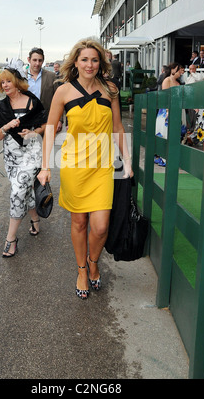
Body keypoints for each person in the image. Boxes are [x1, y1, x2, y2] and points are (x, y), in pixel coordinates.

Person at [37, 39, 133, 299]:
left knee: (100, 226)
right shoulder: (63, 91)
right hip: (74, 165)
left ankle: (94, 261)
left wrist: (128, 161)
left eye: (94, 60)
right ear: (75, 63)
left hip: (103, 165)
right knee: (79, 221)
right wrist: (45, 166)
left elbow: (118, 128)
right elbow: (49, 128)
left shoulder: (110, 89)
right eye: (84, 60)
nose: (89, 64)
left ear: (100, 63)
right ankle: (82, 269)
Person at [0, 61, 47, 257]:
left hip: (31, 154)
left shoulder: (33, 102)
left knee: (17, 192)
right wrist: (6, 127)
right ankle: (35, 220)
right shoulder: (1, 107)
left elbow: (44, 125)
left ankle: (11, 239)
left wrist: (33, 133)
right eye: (2, 82)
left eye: (8, 81)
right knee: (25, 189)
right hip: (11, 156)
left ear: (17, 82)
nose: (5, 85)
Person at [27, 47, 62, 132]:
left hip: (47, 122)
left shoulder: (51, 76)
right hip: (27, 121)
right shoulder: (21, 77)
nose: (37, 63)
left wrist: (59, 120)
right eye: (34, 60)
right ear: (29, 60)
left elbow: (59, 99)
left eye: (40, 60)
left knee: (48, 145)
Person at [155, 63, 184, 165]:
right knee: (164, 133)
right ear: (173, 70)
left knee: (174, 134)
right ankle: (163, 157)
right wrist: (168, 110)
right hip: (166, 111)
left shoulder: (178, 83)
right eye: (179, 69)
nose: (181, 72)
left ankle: (172, 157)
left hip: (176, 110)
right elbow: (165, 96)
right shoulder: (166, 80)